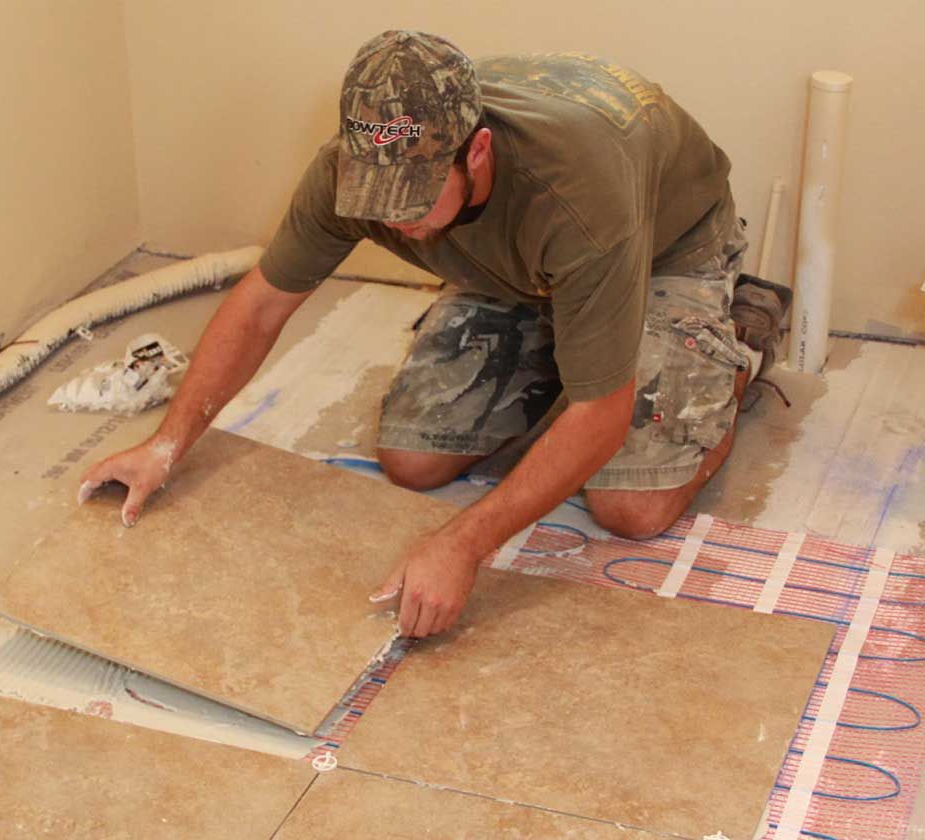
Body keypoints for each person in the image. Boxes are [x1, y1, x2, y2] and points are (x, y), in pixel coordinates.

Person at [79, 31, 789, 639]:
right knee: (411, 460)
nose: (396, 224)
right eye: (377, 202)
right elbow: (262, 303)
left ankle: (734, 348)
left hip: (669, 246)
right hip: (529, 269)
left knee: (631, 506)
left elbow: (600, 416)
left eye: (415, 200)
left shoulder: (577, 195)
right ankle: (569, 329)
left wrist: (465, 544)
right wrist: (166, 444)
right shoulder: (352, 164)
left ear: (476, 152)